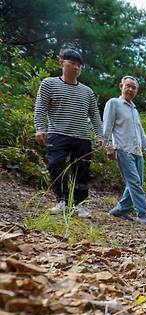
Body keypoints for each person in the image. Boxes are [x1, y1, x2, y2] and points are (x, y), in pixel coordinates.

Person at [34, 48, 104, 218]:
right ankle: (62, 201)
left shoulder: (87, 91)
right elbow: (41, 107)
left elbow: (94, 115)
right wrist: (40, 128)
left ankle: (80, 205)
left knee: (82, 171)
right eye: (72, 63)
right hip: (58, 134)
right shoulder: (49, 84)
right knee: (56, 164)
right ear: (61, 63)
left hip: (82, 137)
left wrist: (101, 136)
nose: (76, 68)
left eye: (79, 65)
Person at [103, 76, 146, 226]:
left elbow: (141, 133)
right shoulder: (114, 103)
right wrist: (109, 147)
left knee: (136, 182)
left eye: (134, 88)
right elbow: (107, 127)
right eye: (128, 86)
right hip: (122, 149)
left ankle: (121, 209)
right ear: (121, 86)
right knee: (135, 182)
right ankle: (143, 214)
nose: (131, 90)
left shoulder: (134, 110)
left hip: (137, 152)